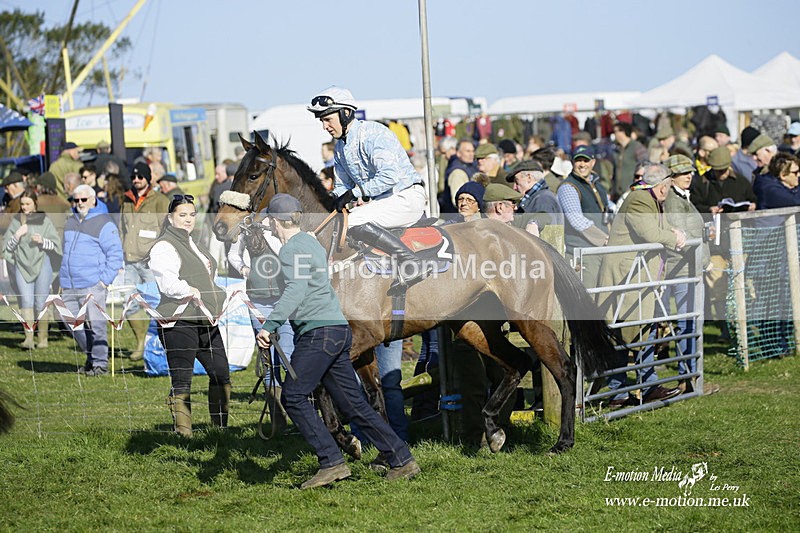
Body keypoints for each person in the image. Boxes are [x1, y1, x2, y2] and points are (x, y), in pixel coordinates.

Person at [254, 193, 420, 488]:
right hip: (336, 330)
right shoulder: (310, 243)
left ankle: (331, 462)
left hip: (318, 333)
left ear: (274, 221)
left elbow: (296, 290)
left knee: (293, 396)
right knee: (354, 404)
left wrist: (270, 326)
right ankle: (401, 458)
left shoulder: (292, 249)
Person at [307, 85, 431, 293]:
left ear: (346, 113)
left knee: (353, 221)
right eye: (322, 121)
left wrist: (354, 193)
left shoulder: (374, 134)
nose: (324, 126)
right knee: (337, 222)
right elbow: (342, 187)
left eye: (328, 119)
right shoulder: (339, 148)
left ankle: (411, 261)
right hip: (384, 203)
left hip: (407, 197)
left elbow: (389, 177)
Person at [597, 164, 684, 406]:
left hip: (638, 277)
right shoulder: (639, 199)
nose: (667, 190)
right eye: (667, 186)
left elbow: (657, 228)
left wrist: (673, 230)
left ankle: (643, 387)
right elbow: (649, 233)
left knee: (641, 330)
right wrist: (674, 239)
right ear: (662, 185)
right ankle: (624, 391)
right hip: (627, 277)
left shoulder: (648, 198)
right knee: (627, 332)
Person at [148, 194, 231, 437]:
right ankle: (184, 434)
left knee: (221, 372)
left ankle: (220, 429)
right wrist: (190, 290)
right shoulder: (164, 245)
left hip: (206, 319)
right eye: (182, 215)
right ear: (170, 217)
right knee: (182, 380)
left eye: (192, 215)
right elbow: (167, 283)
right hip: (179, 320)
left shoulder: (194, 242)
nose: (188, 220)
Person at [60, 184, 124, 377]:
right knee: (71, 322)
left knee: (96, 324)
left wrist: (104, 281)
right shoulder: (70, 221)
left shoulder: (104, 223)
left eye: (83, 200)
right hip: (69, 283)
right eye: (76, 200)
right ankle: (91, 356)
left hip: (93, 283)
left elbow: (115, 254)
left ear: (93, 200)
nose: (79, 203)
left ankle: (100, 364)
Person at [663, 155, 711, 393]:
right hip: (681, 268)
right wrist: (704, 261)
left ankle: (689, 376)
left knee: (689, 323)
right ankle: (687, 378)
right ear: (671, 177)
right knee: (685, 323)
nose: (689, 176)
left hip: (690, 267)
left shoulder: (682, 197)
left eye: (690, 172)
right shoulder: (672, 201)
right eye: (683, 173)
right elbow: (682, 237)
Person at [120, 162, 170, 361]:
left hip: (151, 263)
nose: (136, 180)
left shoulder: (160, 201)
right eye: (134, 177)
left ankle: (158, 345)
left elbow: (167, 229)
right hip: (130, 261)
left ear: (148, 179)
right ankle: (140, 343)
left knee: (156, 304)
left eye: (140, 177)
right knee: (129, 303)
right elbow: (122, 229)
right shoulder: (126, 201)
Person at [3, 189, 62, 349]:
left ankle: (43, 339)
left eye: (28, 204)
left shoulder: (44, 220)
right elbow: (7, 247)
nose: (24, 207)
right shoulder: (16, 221)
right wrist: (16, 237)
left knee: (40, 301)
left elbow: (55, 245)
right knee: (26, 300)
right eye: (22, 204)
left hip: (43, 263)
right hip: (22, 265)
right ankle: (28, 338)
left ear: (35, 204)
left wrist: (43, 241)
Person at [556, 145, 610, 286]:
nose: (582, 164)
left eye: (585, 161)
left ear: (593, 162)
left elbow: (607, 212)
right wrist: (604, 238)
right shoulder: (568, 187)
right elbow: (576, 220)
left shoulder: (598, 186)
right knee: (587, 298)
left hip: (600, 250)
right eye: (578, 160)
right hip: (582, 254)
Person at [439, 139, 478, 213]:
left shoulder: (471, 166)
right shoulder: (458, 172)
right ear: (458, 153)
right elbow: (457, 201)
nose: (471, 154)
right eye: (468, 151)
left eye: (473, 151)